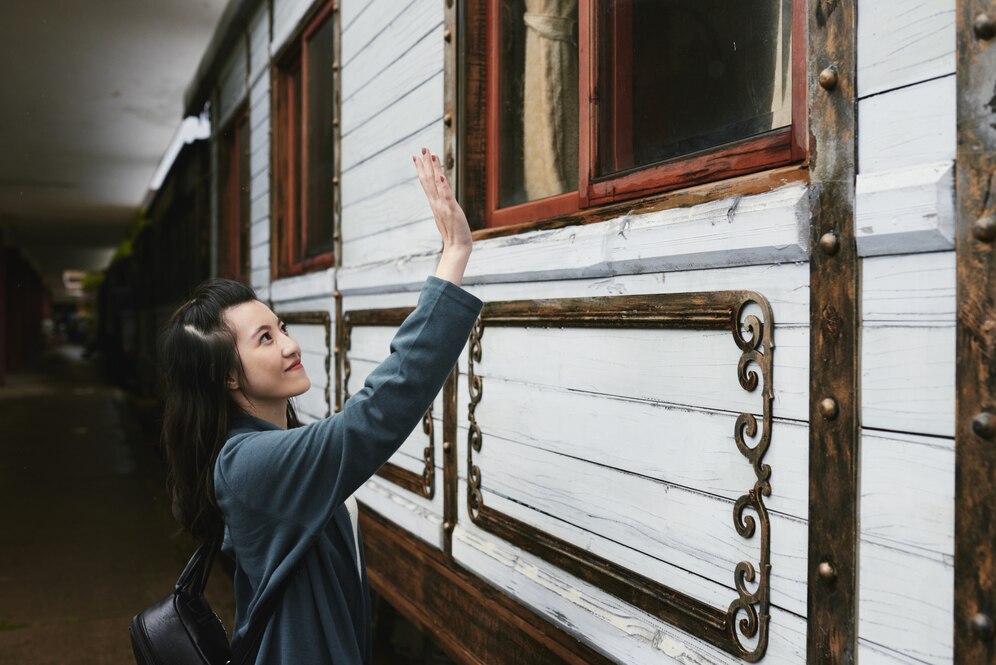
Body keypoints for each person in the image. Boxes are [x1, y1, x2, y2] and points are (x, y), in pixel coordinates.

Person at [158, 148, 482, 664]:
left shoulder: (266, 448)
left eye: (281, 327)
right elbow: (375, 415)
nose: (289, 345)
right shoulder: (247, 465)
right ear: (226, 374)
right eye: (264, 338)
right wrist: (453, 255)